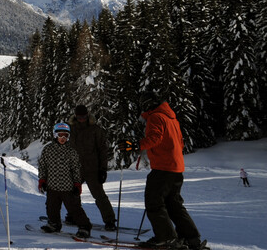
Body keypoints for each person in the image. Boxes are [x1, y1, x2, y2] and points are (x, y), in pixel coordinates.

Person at [123, 91, 208, 250]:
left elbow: (155, 138)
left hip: (163, 167)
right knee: (173, 204)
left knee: (154, 202)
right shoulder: (171, 118)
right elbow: (180, 142)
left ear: (148, 104)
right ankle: (190, 237)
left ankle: (166, 238)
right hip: (175, 167)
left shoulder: (156, 117)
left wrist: (135, 145)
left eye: (144, 104)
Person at [39, 122, 93, 238]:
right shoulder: (48, 149)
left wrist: (77, 184)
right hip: (52, 186)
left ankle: (84, 227)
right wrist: (42, 180)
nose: (63, 138)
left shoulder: (71, 151)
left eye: (66, 136)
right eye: (60, 135)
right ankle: (54, 224)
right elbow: (43, 166)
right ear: (55, 135)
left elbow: (76, 168)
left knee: (74, 209)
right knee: (51, 207)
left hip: (68, 187)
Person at [68, 104, 117, 230]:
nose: (82, 119)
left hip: (92, 169)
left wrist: (102, 169)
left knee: (99, 195)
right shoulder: (71, 129)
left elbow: (102, 150)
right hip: (76, 168)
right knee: (72, 194)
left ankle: (110, 220)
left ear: (87, 115)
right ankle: (73, 216)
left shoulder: (95, 129)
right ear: (75, 117)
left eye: (84, 117)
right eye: (79, 117)